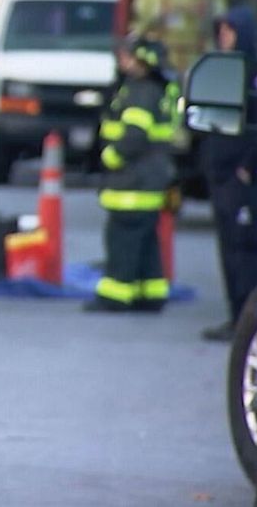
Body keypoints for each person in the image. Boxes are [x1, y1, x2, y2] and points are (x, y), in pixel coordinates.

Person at [84, 36, 177, 313]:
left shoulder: (140, 91)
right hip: (149, 180)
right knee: (145, 241)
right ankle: (150, 293)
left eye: (126, 57)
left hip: (133, 182)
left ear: (140, 61)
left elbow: (134, 136)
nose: (121, 61)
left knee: (121, 239)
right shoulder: (156, 88)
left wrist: (111, 157)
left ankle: (115, 295)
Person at [201, 6, 257, 341]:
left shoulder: (252, 75)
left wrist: (247, 168)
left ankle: (245, 323)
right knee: (228, 249)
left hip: (244, 178)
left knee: (244, 250)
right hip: (220, 175)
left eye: (230, 31)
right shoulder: (221, 71)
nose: (223, 37)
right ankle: (235, 316)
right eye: (220, 30)